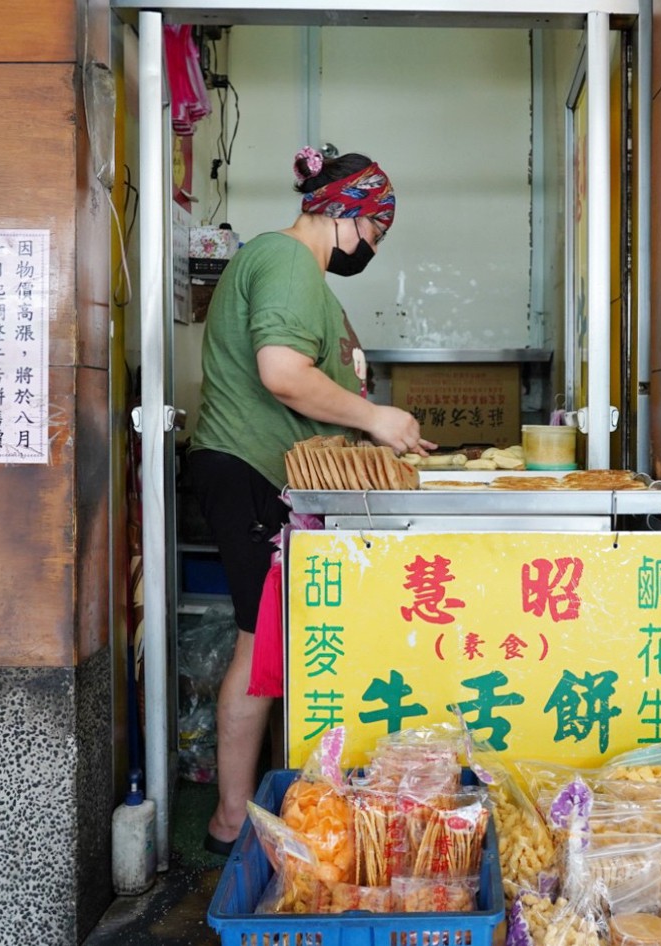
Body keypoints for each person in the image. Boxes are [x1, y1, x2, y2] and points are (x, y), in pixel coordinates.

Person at [187, 147, 436, 854]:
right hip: (248, 469)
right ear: (350, 215)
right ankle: (231, 820)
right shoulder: (290, 260)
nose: (372, 250)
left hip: (261, 473)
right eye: (375, 235)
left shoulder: (293, 271)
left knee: (274, 642)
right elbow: (283, 373)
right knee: (258, 640)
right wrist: (376, 420)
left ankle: (271, 796)